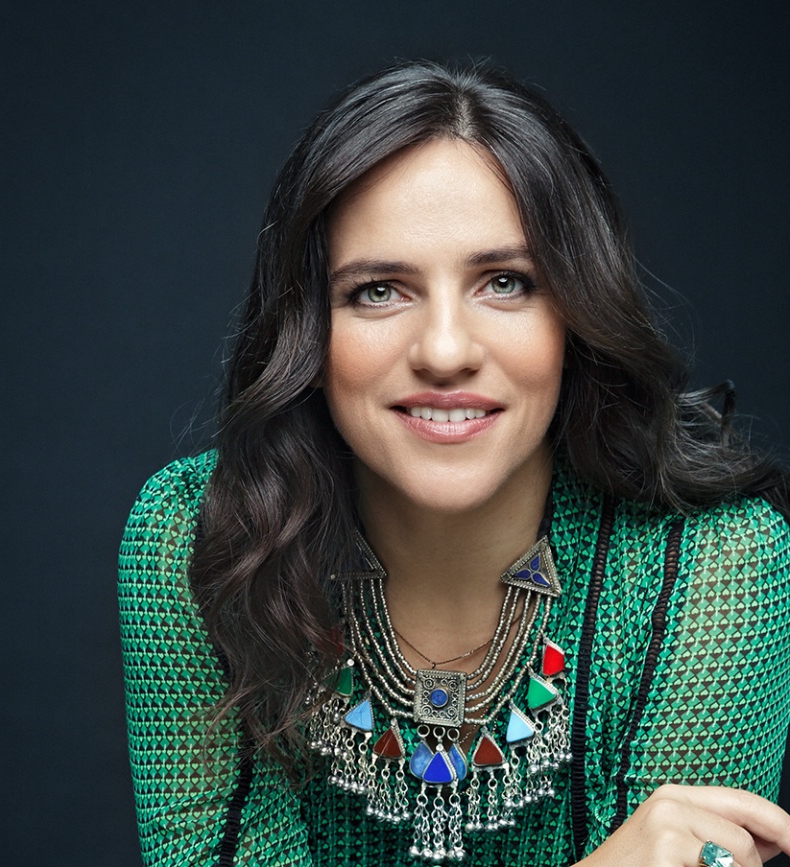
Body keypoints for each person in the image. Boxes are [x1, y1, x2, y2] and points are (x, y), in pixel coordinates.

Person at [118, 59, 790, 867]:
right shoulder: (202, 540)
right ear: (308, 332)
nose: (443, 351)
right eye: (379, 290)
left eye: (505, 282)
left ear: (575, 315)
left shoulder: (715, 560)